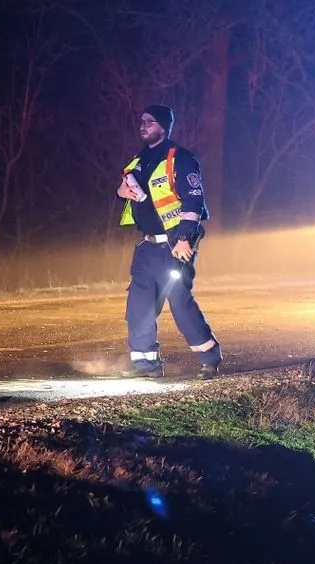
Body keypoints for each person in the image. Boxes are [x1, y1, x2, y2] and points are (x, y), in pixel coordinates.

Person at [115, 104, 222, 379]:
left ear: (163, 127)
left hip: (174, 245)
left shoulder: (180, 158)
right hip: (147, 246)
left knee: (179, 302)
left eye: (149, 122)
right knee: (139, 305)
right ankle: (145, 364)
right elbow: (128, 189)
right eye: (141, 121)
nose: (143, 126)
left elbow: (194, 201)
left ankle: (210, 357)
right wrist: (121, 191)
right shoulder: (140, 159)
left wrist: (184, 238)